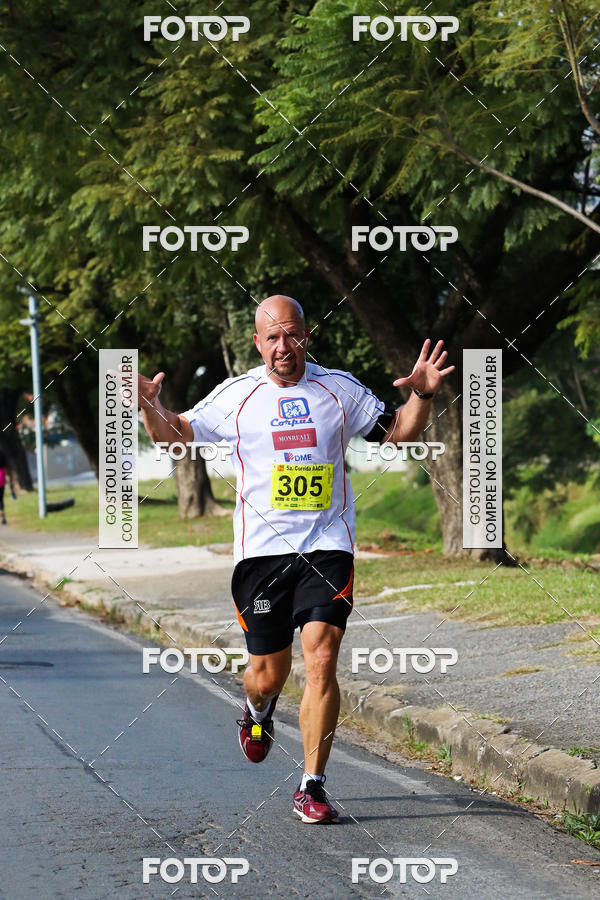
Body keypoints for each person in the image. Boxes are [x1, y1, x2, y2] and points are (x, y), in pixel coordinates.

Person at [138, 295, 454, 823]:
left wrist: (421, 394)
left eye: (291, 334)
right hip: (261, 555)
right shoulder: (237, 395)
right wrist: (151, 407)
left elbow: (399, 432)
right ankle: (257, 708)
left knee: (322, 655)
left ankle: (312, 785)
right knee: (268, 675)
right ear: (257, 343)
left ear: (307, 335)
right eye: (272, 337)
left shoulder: (339, 389)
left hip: (327, 546)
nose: (283, 346)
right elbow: (175, 436)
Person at [0, 449, 16, 525]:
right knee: (1, 499)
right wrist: (11, 487)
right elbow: (8, 472)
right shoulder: (2, 455)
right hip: (1, 478)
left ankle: (2, 513)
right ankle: (2, 514)